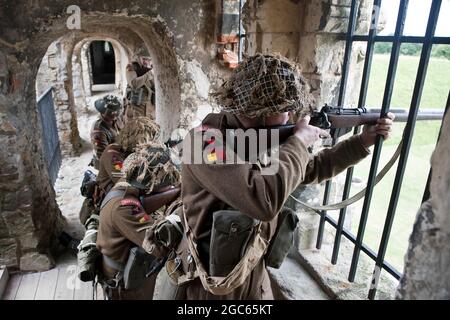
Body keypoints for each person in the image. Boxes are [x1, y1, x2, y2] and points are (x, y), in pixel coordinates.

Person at [176, 54, 395, 300]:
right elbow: (263, 201)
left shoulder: (258, 138)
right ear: (261, 110)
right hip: (214, 285)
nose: (291, 117)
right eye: (286, 109)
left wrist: (363, 141)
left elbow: (312, 169)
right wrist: (299, 142)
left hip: (254, 275)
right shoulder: (204, 143)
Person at [96, 145, 181, 300]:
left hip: (124, 269)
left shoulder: (125, 184)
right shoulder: (124, 208)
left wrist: (174, 193)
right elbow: (157, 246)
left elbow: (142, 202)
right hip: (124, 282)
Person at [90, 95, 124, 169]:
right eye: (114, 113)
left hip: (118, 154)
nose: (117, 115)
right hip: (107, 163)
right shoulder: (98, 130)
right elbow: (103, 156)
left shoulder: (117, 120)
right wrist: (122, 166)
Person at [124, 55, 156, 122]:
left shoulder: (149, 69)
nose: (146, 62)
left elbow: (154, 86)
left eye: (148, 59)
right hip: (136, 107)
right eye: (144, 59)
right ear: (138, 58)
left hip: (149, 107)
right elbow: (134, 84)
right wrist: (149, 74)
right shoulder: (131, 68)